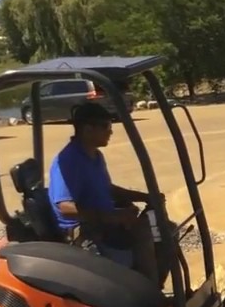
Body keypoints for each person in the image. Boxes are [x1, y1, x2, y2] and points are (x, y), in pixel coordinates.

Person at [48, 102, 159, 282]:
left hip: (103, 222)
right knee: (144, 234)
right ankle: (148, 294)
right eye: (106, 126)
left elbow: (107, 188)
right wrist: (113, 217)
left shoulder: (95, 156)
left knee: (164, 230)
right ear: (87, 129)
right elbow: (64, 207)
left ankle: (150, 285)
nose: (110, 131)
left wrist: (145, 197)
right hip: (84, 231)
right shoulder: (69, 160)